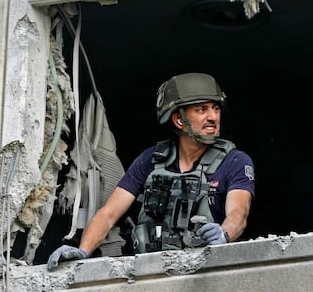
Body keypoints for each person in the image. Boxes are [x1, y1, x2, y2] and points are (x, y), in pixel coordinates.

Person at [47, 72, 255, 270]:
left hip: (204, 276)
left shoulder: (234, 161)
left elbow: (239, 213)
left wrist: (224, 234)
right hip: (152, 274)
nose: (213, 117)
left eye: (216, 109)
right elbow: (109, 214)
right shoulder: (153, 159)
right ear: (179, 120)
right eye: (202, 109)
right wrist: (82, 252)